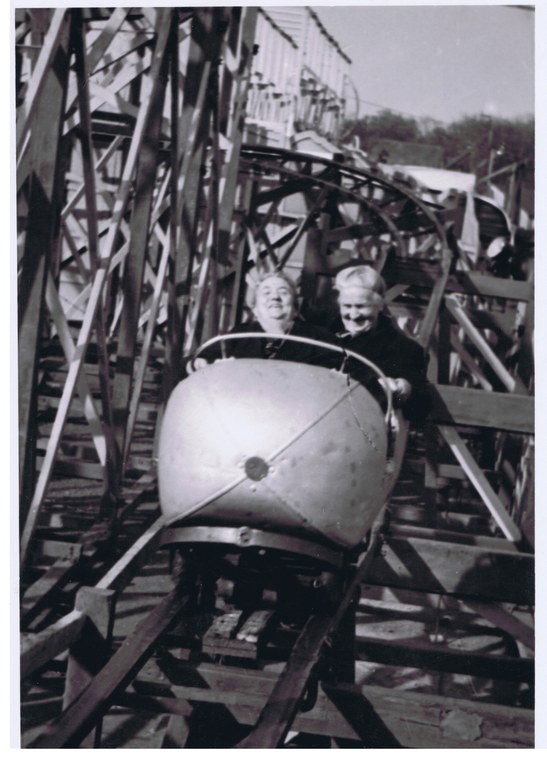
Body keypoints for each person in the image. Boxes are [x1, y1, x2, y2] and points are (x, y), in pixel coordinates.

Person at [329, 264, 432, 422]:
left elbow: (420, 406)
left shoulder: (403, 349)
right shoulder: (320, 333)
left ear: (380, 305)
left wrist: (404, 389)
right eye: (347, 306)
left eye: (361, 306)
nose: (353, 315)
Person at [191, 271, 339, 369]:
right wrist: (202, 364)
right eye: (266, 292)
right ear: (255, 309)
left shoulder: (318, 338)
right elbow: (197, 361)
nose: (274, 297)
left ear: (295, 308)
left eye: (283, 292)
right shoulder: (238, 335)